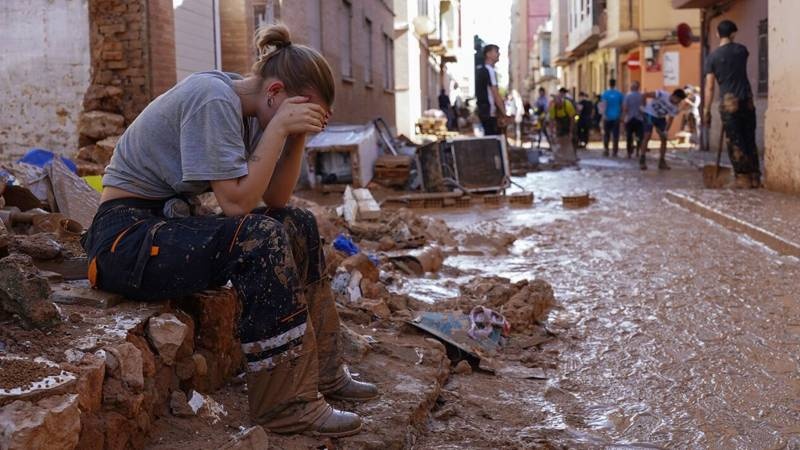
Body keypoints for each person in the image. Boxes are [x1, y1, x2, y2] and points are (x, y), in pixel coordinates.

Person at [80, 24, 377, 437]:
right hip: (124, 239)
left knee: (297, 223)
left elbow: (275, 199)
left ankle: (325, 372)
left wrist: (295, 137)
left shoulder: (255, 111)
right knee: (260, 236)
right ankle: (285, 405)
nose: (300, 120)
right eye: (301, 110)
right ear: (275, 93)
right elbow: (236, 205)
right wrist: (278, 128)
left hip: (168, 224)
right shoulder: (213, 99)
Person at [704, 19, 761, 188]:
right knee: (749, 138)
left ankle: (742, 178)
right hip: (747, 101)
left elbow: (709, 86)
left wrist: (706, 110)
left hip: (729, 103)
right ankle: (755, 177)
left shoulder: (712, 57)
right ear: (733, 34)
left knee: (735, 140)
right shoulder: (742, 50)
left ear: (717, 34)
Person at [639, 88, 687, 170]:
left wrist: (666, 130)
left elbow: (670, 119)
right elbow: (645, 95)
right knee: (647, 136)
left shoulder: (675, 107)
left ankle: (662, 161)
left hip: (660, 118)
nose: (678, 102)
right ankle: (642, 160)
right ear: (674, 96)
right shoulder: (661, 94)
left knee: (664, 139)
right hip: (649, 114)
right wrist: (643, 106)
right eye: (678, 100)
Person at [476, 44, 508, 136]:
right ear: (488, 54)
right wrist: (504, 112)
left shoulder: (482, 70)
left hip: (484, 110)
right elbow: (495, 93)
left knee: (489, 139)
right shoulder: (489, 70)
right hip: (489, 111)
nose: (498, 54)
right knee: (493, 140)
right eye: (496, 51)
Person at [548, 87, 577, 165]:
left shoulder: (568, 105)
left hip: (569, 122)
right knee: (560, 140)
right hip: (560, 125)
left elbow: (572, 119)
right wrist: (551, 132)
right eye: (557, 105)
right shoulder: (553, 108)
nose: (559, 106)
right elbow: (551, 121)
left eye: (559, 104)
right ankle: (561, 158)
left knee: (571, 140)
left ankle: (573, 157)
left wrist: (571, 131)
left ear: (561, 102)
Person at [600, 79, 624, 157]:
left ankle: (606, 150)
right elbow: (622, 105)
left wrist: (603, 116)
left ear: (609, 84)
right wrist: (621, 115)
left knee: (606, 134)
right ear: (615, 84)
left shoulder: (605, 94)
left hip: (607, 117)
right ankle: (615, 151)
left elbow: (603, 106)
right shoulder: (619, 94)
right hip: (616, 117)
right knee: (615, 135)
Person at [623, 81, 645, 158]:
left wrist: (624, 116)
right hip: (639, 119)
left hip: (629, 119)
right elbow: (644, 106)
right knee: (639, 136)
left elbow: (625, 108)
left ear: (631, 88)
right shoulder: (641, 96)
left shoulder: (627, 96)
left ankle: (629, 152)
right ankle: (638, 152)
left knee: (629, 136)